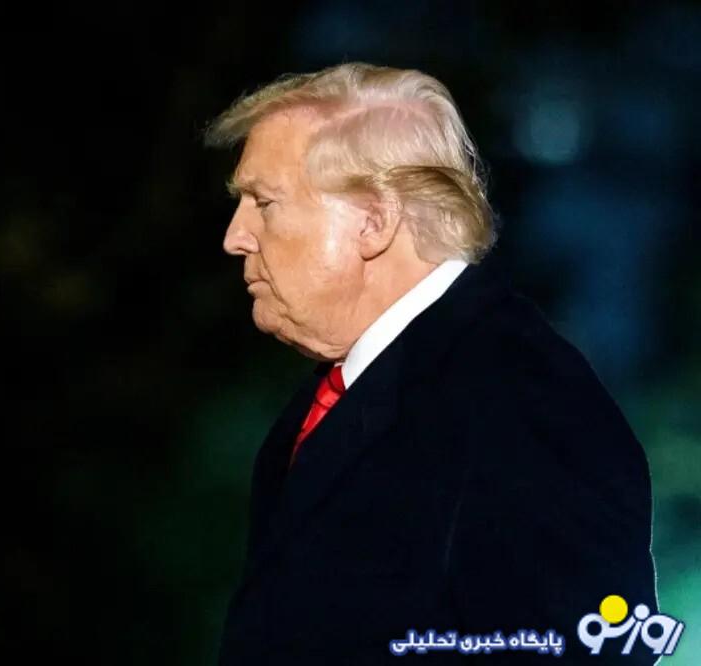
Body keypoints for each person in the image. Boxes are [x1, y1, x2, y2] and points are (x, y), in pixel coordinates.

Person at [204, 63, 658, 664]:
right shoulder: (338, 397)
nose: (235, 236)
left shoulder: (520, 397)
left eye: (264, 202)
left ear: (373, 220)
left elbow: (585, 649)